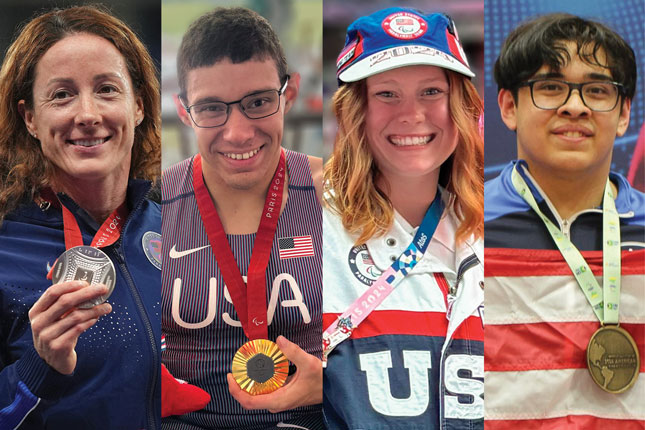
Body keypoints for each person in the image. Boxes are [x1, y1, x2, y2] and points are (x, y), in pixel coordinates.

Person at [161, 6, 323, 430]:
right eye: (212, 108)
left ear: (288, 95)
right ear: (183, 110)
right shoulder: (152, 203)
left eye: (258, 102)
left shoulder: (335, 193)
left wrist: (334, 381)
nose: (238, 132)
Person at [0, 5, 161, 429]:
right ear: (30, 119)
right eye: (62, 94)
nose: (87, 115)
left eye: (107, 89)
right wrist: (39, 368)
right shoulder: (5, 250)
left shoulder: (182, 230)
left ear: (139, 106)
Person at [322, 7, 484, 429]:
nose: (412, 114)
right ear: (355, 110)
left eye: (431, 92)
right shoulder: (306, 230)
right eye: (387, 94)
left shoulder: (498, 228)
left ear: (461, 107)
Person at [484, 13, 645, 428]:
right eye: (551, 87)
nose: (575, 107)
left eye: (596, 90)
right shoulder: (465, 223)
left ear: (624, 113)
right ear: (508, 106)